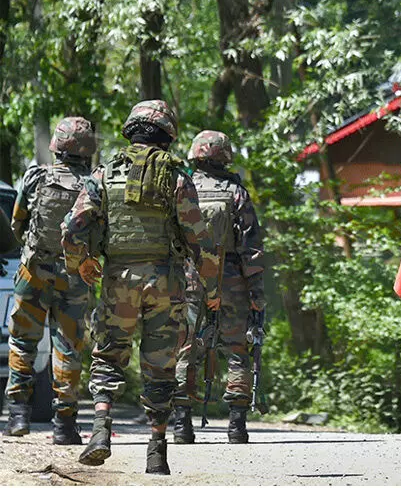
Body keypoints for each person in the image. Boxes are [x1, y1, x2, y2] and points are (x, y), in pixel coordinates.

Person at [61, 100, 219, 474]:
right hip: (166, 282)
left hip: (118, 280)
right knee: (160, 366)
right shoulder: (179, 179)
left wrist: (81, 262)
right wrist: (212, 291)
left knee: (108, 356)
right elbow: (200, 240)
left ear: (131, 130)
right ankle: (156, 451)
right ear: (168, 134)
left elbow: (72, 228)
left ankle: (100, 431)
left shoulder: (102, 175)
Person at [3, 117, 94, 444]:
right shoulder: (94, 184)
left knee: (23, 341)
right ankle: (64, 426)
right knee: (68, 347)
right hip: (74, 275)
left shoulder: (35, 177)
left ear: (56, 146)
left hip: (33, 271)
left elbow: (17, 224)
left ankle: (17, 417)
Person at [171, 130, 265, 445]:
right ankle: (236, 426)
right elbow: (251, 248)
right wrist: (257, 294)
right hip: (232, 280)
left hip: (189, 280)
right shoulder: (236, 193)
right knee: (238, 350)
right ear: (224, 156)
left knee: (187, 349)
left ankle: (182, 425)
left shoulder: (181, 188)